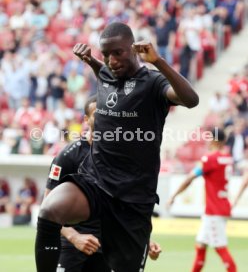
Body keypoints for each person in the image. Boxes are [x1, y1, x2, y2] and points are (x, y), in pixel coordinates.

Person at [35, 22, 198, 272]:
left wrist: (158, 61)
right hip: (97, 181)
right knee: (49, 211)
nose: (111, 60)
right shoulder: (106, 75)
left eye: (118, 53)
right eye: (106, 55)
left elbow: (191, 99)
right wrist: (91, 60)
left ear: (133, 50)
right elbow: (106, 73)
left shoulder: (153, 82)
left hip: (133, 197)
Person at [44, 95, 111, 272]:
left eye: (107, 112)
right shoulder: (67, 156)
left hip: (106, 246)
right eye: (98, 113)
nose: (104, 116)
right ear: (86, 119)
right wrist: (74, 237)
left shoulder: (117, 156)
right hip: (70, 245)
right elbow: (47, 204)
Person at [167, 128, 237, 272]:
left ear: (214, 140)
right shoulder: (227, 158)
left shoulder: (209, 159)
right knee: (200, 245)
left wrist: (173, 196)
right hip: (219, 207)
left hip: (214, 211)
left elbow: (190, 178)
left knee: (220, 247)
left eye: (209, 137)